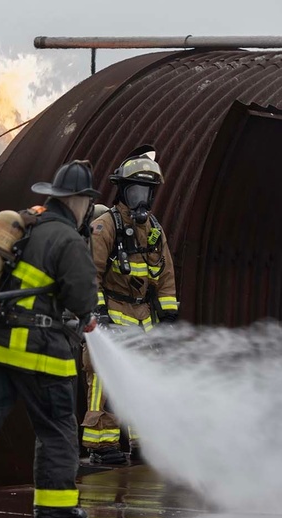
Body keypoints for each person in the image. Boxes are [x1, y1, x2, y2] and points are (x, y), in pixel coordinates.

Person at [0, 160, 100, 518]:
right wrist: (88, 314)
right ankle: (55, 508)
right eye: (86, 203)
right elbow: (80, 296)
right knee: (57, 426)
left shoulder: (22, 226)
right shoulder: (67, 239)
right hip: (38, 350)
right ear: (77, 200)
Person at [82, 147, 179, 466]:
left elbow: (165, 276)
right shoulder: (105, 226)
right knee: (104, 377)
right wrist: (99, 313)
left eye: (147, 192)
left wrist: (168, 314)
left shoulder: (154, 231)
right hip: (112, 313)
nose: (141, 199)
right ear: (122, 191)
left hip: (144, 320)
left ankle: (144, 441)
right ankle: (102, 443)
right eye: (135, 191)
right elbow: (90, 273)